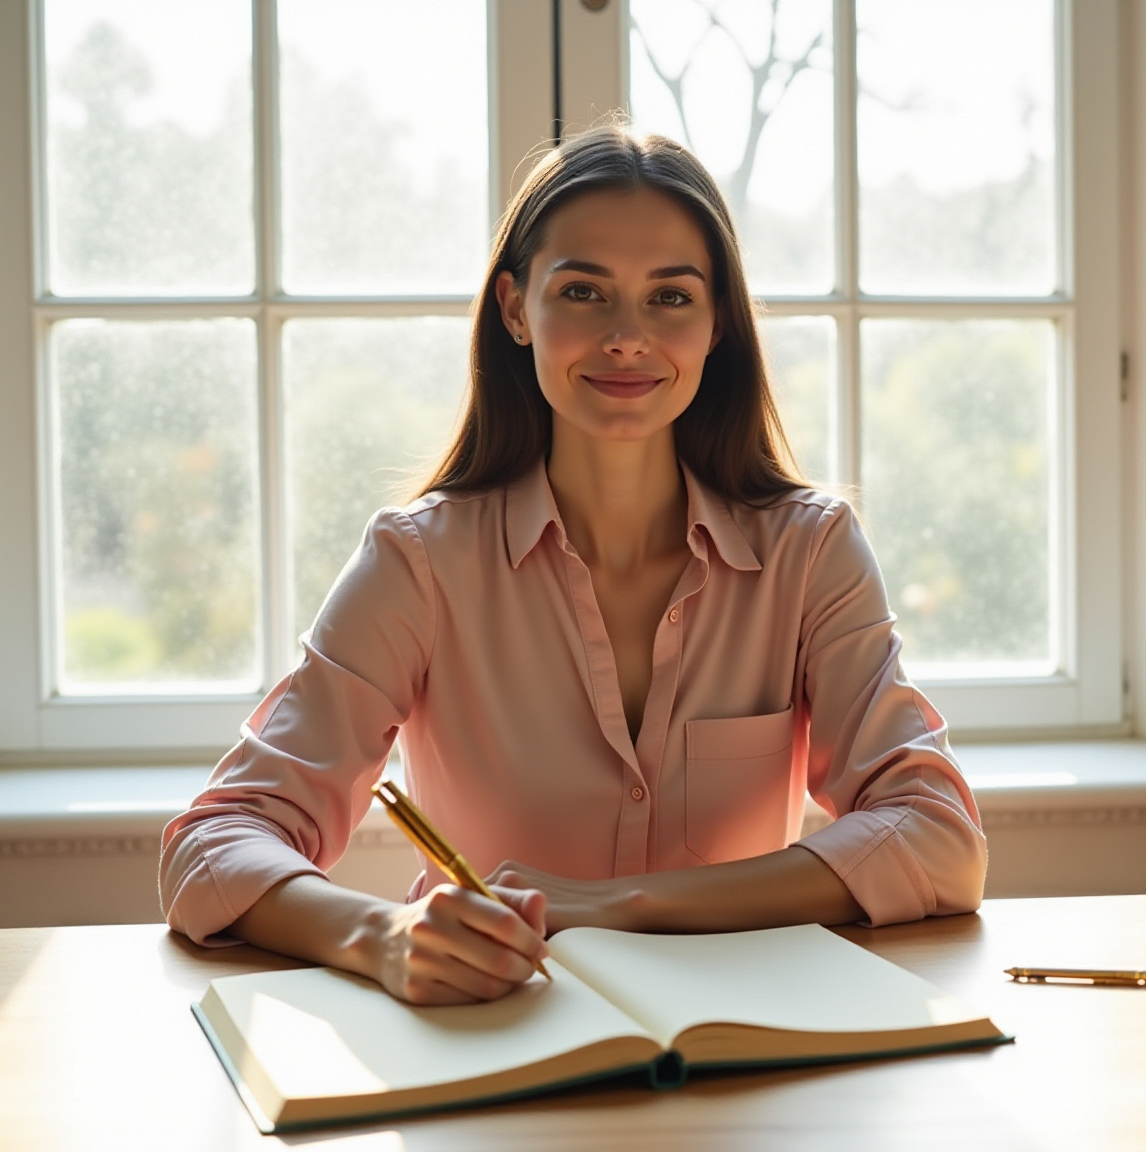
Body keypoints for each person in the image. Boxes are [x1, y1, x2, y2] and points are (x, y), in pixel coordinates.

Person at [159, 126, 985, 1006]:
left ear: (717, 326)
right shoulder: (418, 562)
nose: (627, 337)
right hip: (497, 1041)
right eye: (584, 291)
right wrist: (381, 936)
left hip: (741, 1050)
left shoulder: (811, 551)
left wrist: (619, 904)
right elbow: (215, 842)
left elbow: (937, 836)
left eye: (670, 298)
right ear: (517, 309)